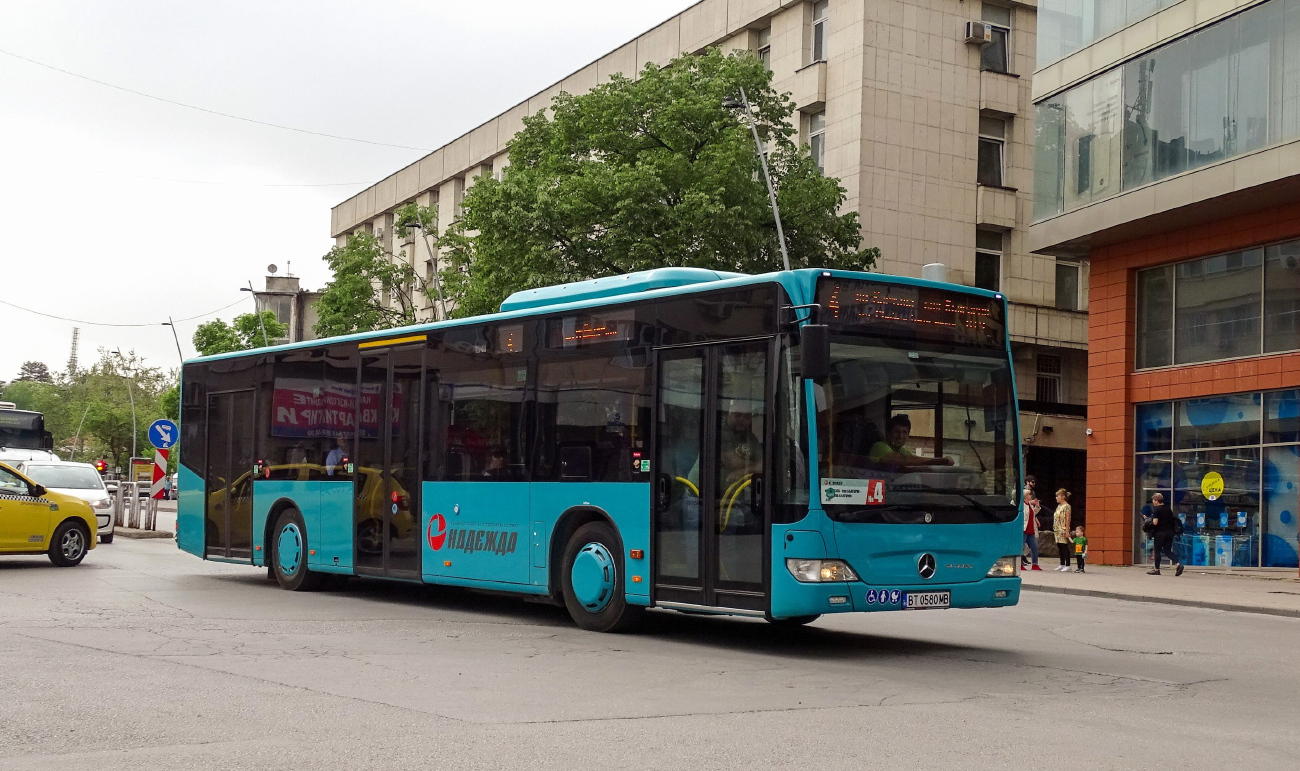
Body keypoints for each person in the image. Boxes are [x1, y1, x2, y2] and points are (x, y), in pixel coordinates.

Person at [868, 414, 954, 468]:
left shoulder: (901, 450)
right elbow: (905, 460)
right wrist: (940, 461)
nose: (901, 436)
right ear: (889, 434)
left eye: (904, 432)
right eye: (897, 432)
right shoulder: (879, 446)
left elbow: (914, 461)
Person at [1147, 493, 1184, 576]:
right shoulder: (1168, 509)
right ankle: (1178, 564)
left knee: (1157, 551)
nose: (1153, 502)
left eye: (1153, 500)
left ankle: (1157, 570)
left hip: (1160, 533)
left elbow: (1155, 522)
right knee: (1167, 551)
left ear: (1157, 501)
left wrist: (1149, 521)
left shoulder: (1156, 510)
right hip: (1170, 533)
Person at [1053, 488, 1074, 571]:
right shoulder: (1058, 506)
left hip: (1063, 528)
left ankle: (1068, 565)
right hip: (1057, 529)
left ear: (1063, 497)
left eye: (1058, 496)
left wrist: (1067, 531)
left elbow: (1068, 519)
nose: (1056, 498)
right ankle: (1062, 564)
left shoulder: (1067, 506)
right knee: (1059, 546)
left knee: (1064, 546)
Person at [1022, 488, 1042, 570]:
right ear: (1026, 496)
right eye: (1029, 494)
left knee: (1034, 547)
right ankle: (1019, 564)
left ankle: (1035, 564)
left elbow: (1033, 513)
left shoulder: (1029, 505)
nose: (1031, 496)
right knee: (1021, 547)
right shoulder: (1022, 505)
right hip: (1024, 529)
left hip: (1031, 529)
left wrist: (1037, 506)